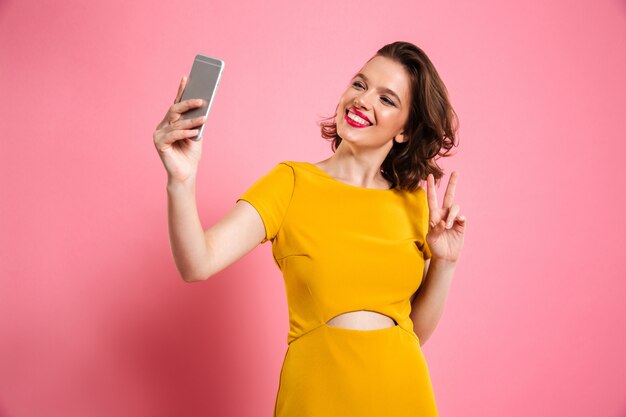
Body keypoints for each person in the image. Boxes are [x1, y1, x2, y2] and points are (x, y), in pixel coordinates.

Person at [153, 41, 466, 417]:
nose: (363, 101)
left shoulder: (417, 205)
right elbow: (196, 263)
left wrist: (445, 262)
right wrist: (181, 181)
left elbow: (413, 332)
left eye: (387, 100)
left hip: (402, 393)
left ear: (405, 131)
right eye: (360, 84)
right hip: (317, 393)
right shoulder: (291, 182)